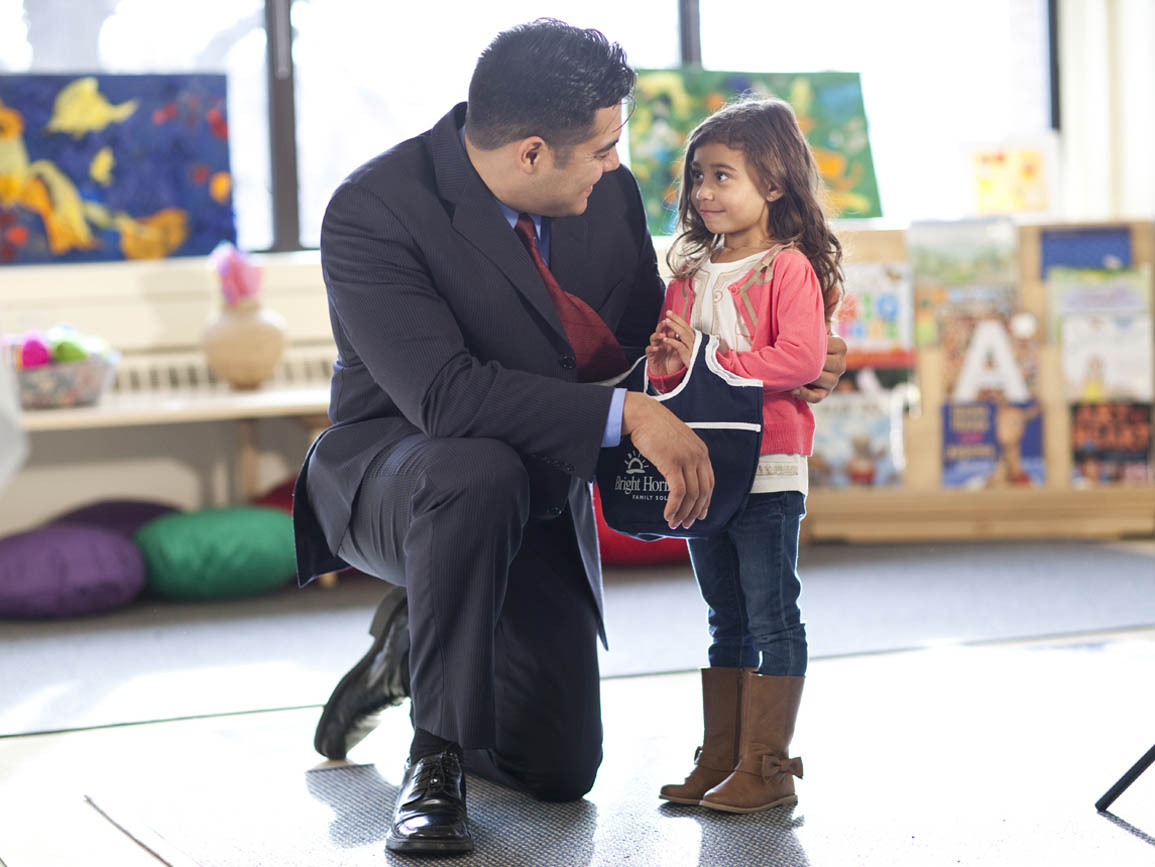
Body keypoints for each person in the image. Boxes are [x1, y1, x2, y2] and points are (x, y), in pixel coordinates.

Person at [294, 21, 847, 855]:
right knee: (472, 470)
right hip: (400, 470)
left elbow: (639, 334)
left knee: (557, 769)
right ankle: (432, 757)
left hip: (538, 471)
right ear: (528, 153)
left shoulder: (604, 196)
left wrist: (768, 361)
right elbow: (444, 395)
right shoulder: (374, 210)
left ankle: (415, 649)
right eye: (601, 149)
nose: (615, 165)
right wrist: (629, 416)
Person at [645, 98, 843, 814]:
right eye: (697, 175)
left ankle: (767, 765)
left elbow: (799, 356)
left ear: (773, 183)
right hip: (702, 465)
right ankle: (722, 756)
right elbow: (671, 378)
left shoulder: (786, 269)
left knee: (771, 614)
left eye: (722, 175)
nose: (703, 192)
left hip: (767, 467)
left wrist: (709, 357)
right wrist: (668, 363)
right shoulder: (689, 271)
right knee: (722, 614)